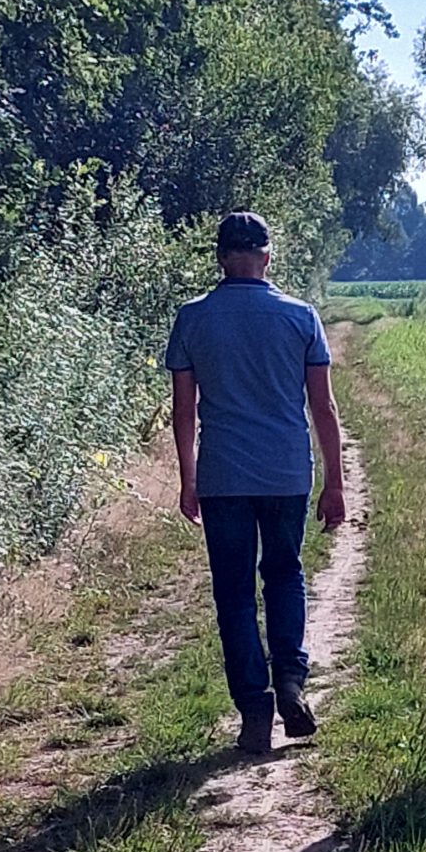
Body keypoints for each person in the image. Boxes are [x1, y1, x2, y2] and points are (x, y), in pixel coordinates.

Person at [166, 211, 347, 755]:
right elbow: (324, 406)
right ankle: (291, 680)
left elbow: (183, 410)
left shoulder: (193, 318)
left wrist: (187, 477)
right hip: (286, 472)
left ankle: (254, 708)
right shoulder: (300, 316)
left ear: (221, 258)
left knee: (234, 593)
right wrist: (335, 480)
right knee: (286, 575)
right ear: (268, 256)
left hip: (223, 474)